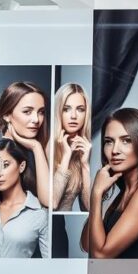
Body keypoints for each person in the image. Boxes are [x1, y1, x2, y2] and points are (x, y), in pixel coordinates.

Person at [82, 108, 138, 259]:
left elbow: (100, 255)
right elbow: (87, 245)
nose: (115, 150)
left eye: (126, 140)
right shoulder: (124, 194)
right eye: (109, 142)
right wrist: (100, 196)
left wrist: (96, 194)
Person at [0, 81, 52, 208]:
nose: (36, 120)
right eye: (27, 112)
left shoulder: (42, 146)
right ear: (6, 115)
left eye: (41, 112)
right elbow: (48, 202)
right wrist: (36, 147)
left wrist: (36, 147)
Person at [52, 83, 92, 211]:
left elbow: (89, 209)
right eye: (66, 109)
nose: (73, 116)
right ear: (58, 111)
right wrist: (66, 156)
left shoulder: (83, 150)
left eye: (80, 109)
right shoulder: (47, 146)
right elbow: (52, 203)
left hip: (62, 230)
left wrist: (85, 165)